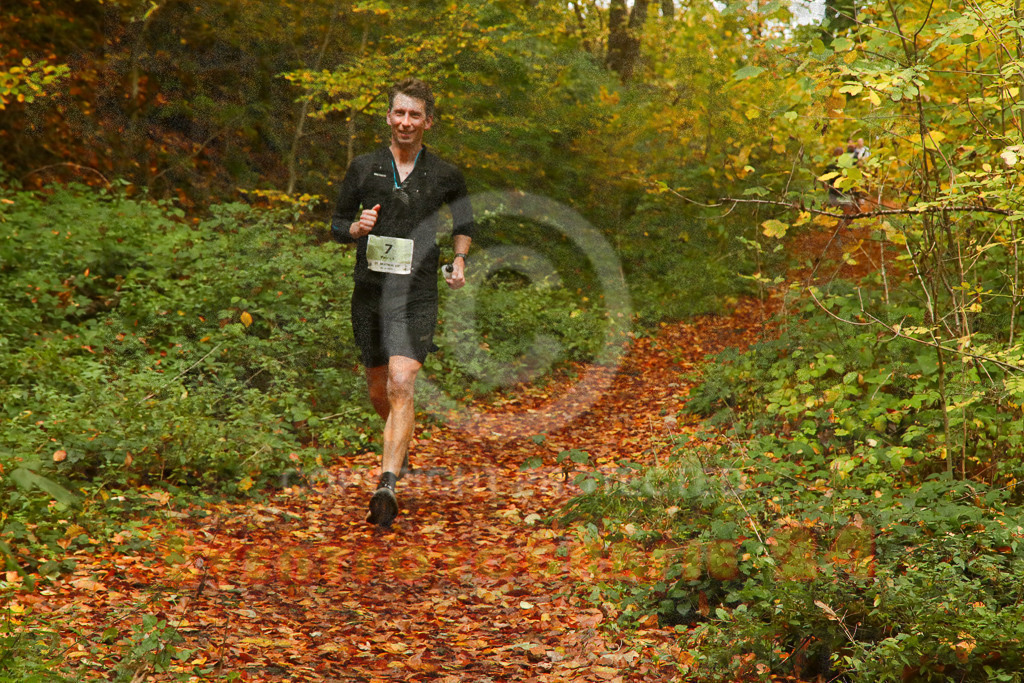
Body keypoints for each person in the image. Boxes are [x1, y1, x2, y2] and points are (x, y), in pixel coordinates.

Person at [329, 77, 475, 528]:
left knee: (401, 383)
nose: (406, 121)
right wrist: (356, 228)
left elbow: (465, 223)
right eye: (399, 113)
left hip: (417, 293)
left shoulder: (445, 174)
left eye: (415, 114)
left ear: (428, 121)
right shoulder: (363, 167)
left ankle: (387, 482)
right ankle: (400, 442)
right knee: (380, 390)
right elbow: (336, 222)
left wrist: (459, 259)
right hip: (370, 291)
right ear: (389, 117)